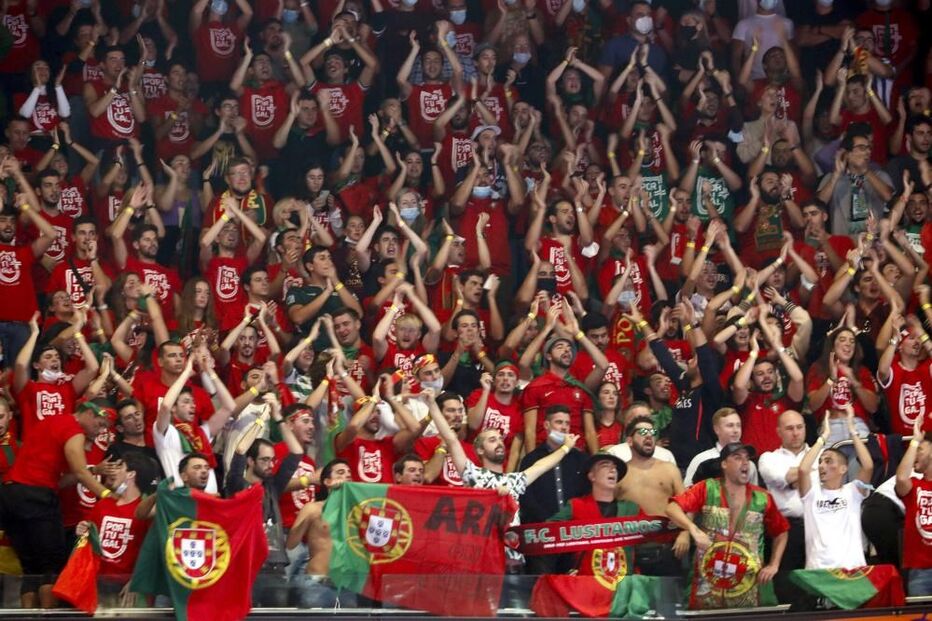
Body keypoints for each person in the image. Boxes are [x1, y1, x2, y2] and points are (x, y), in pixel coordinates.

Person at [0, 400, 113, 608]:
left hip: (9, 496)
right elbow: (79, 471)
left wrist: (94, 471)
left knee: (31, 568)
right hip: (37, 498)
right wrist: (108, 496)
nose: (100, 431)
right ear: (88, 413)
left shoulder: (52, 422)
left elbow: (59, 481)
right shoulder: (74, 429)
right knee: (51, 566)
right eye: (99, 424)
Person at [667, 442, 789, 610]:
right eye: (737, 458)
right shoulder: (707, 488)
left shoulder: (762, 498)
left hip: (749, 587)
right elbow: (672, 508)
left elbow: (781, 531)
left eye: (747, 458)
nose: (745, 462)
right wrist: (693, 530)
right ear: (724, 464)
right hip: (707, 585)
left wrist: (774, 565)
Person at [797, 405, 874, 569]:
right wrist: (823, 437)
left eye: (828, 461)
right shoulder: (812, 494)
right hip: (818, 571)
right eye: (820, 462)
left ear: (843, 469)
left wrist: (852, 430)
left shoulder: (852, 491)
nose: (822, 466)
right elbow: (803, 469)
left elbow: (867, 466)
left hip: (852, 569)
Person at [547, 452, 639, 586]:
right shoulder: (576, 505)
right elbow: (546, 532)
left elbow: (655, 533)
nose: (613, 469)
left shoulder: (632, 509)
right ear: (592, 476)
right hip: (586, 584)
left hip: (622, 587)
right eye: (605, 465)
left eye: (615, 467)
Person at [614, 415, 688, 576]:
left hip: (667, 548)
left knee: (668, 600)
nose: (649, 436)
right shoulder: (619, 474)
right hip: (630, 551)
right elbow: (607, 512)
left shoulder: (670, 470)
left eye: (652, 432)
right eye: (642, 432)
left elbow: (687, 505)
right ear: (629, 440)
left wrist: (685, 533)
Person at [287, 459, 355, 609]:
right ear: (327, 481)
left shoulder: (355, 511)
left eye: (349, 474)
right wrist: (310, 519)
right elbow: (291, 544)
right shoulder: (313, 508)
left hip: (346, 585)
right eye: (340, 473)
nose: (347, 476)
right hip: (316, 584)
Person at [896, 415, 932, 595]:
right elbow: (901, 478)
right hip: (920, 571)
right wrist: (915, 441)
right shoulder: (915, 485)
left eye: (920, 450)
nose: (915, 453)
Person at [684, 408, 760, 487]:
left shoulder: (749, 465)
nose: (736, 430)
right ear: (716, 429)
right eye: (730, 425)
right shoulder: (701, 459)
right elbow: (687, 492)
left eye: (738, 425)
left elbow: (754, 494)